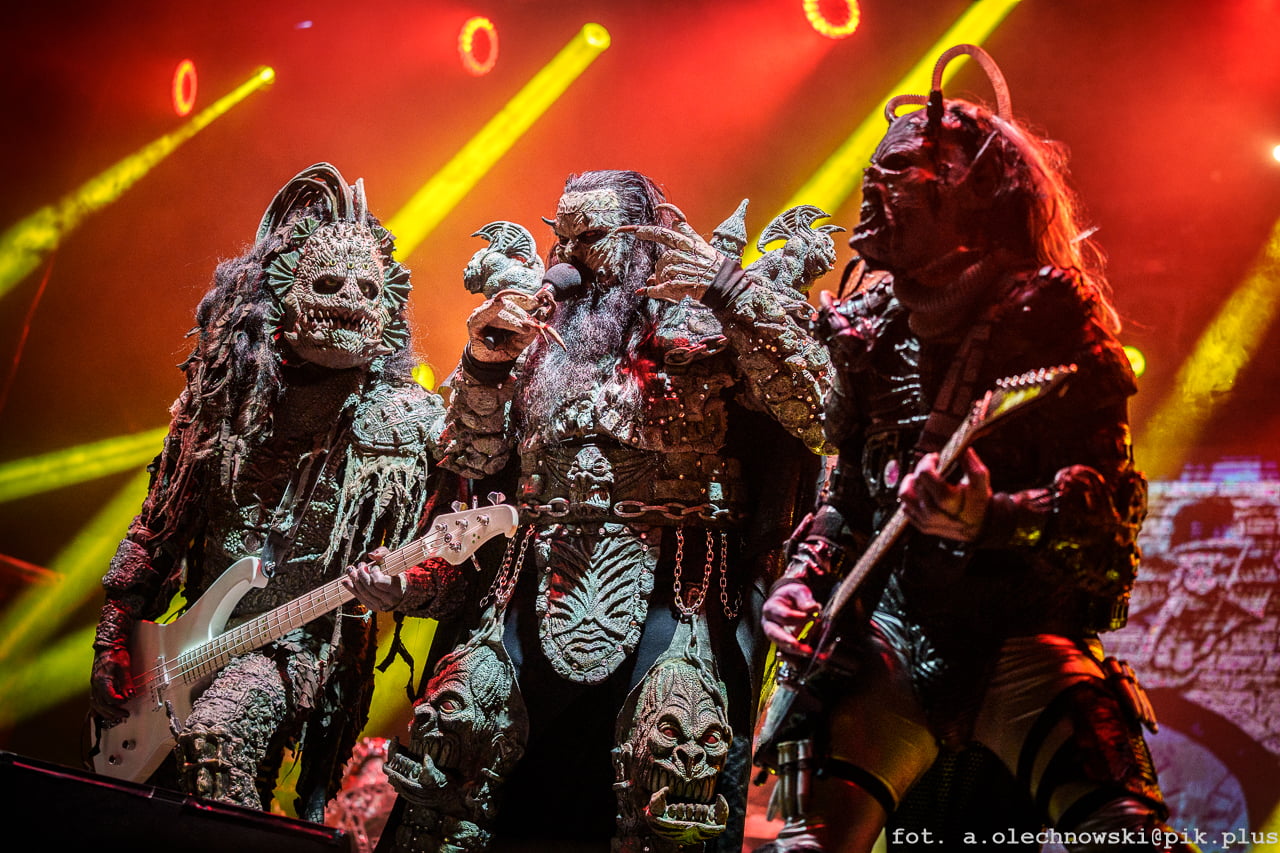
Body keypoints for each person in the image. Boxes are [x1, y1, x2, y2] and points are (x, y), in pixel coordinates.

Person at [749, 45, 1197, 853]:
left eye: (905, 173)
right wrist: (801, 580)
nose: (875, 187)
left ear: (976, 194)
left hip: (1021, 638)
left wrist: (989, 517)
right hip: (888, 641)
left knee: (1130, 839)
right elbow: (846, 501)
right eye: (875, 170)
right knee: (795, 843)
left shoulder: (1052, 315)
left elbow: (1107, 522)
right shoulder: (867, 330)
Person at [359, 168, 834, 853]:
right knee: (457, 754)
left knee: (668, 771)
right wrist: (486, 363)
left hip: (677, 585)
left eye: (592, 236)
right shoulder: (535, 335)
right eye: (564, 237)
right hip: (536, 581)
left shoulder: (703, 322)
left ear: (641, 242)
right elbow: (471, 458)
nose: (572, 254)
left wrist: (731, 293)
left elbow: (823, 415)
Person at [88, 163, 456, 822]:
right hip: (187, 648)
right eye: (329, 284)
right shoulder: (224, 402)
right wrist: (115, 630)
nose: (351, 301)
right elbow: (158, 527)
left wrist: (404, 586)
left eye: (369, 289)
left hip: (302, 649)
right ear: (282, 294)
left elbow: (458, 560)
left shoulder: (414, 421)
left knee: (218, 739)